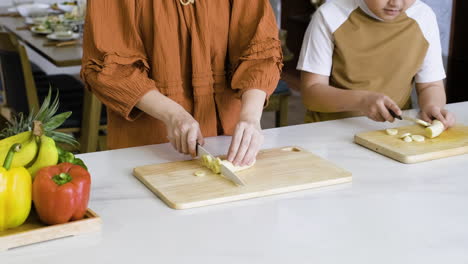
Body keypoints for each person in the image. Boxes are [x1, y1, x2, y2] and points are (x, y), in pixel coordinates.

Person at [80, 0, 283, 166]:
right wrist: (173, 115)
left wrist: (250, 117)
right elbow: (112, 69)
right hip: (150, 149)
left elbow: (260, 50)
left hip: (229, 145)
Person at [297, 0, 455, 128]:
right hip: (328, 131)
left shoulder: (424, 17)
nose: (396, 3)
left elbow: (431, 86)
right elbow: (311, 93)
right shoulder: (330, 15)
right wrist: (361, 101)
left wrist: (432, 107)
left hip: (394, 131)